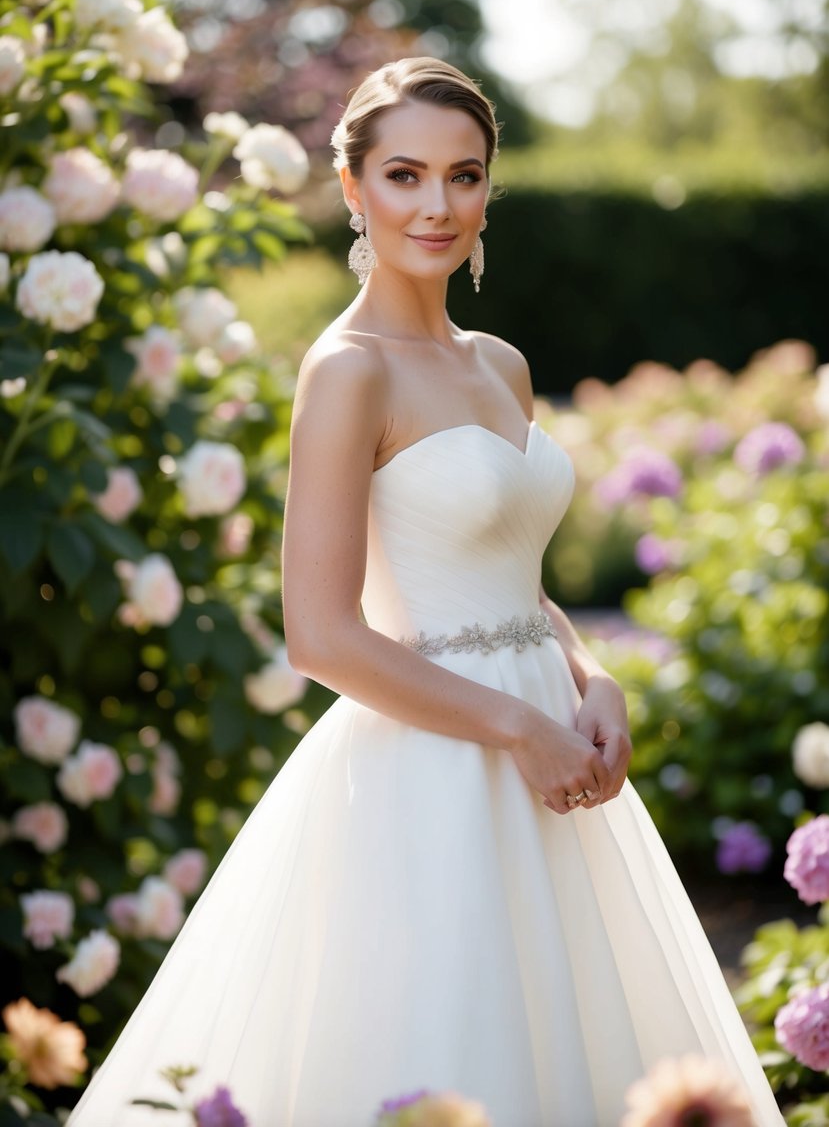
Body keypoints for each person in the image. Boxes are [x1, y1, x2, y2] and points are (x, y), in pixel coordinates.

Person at [67, 58, 784, 1127]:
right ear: (354, 189)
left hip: (553, 758)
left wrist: (591, 679)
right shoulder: (347, 369)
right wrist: (512, 726)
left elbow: (514, 579)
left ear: (490, 188)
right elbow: (319, 634)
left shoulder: (501, 364)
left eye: (464, 174)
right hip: (431, 770)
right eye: (404, 175)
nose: (437, 205)